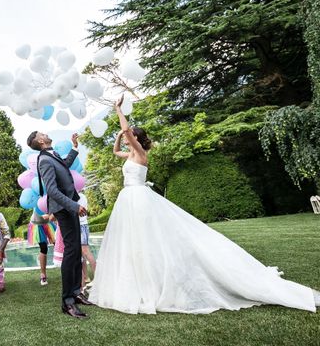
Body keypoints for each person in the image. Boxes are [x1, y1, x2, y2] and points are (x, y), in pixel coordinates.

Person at [89, 95, 320, 314]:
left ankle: (156, 283)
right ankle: (141, 280)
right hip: (128, 199)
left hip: (138, 199)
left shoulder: (140, 154)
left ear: (137, 140)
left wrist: (119, 111)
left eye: (131, 137)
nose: (128, 139)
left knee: (146, 239)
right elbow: (114, 150)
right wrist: (119, 134)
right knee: (135, 241)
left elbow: (128, 132)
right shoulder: (128, 155)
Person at [27, 131, 90, 319]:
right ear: (40, 140)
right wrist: (73, 206)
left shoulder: (52, 155)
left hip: (69, 207)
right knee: (71, 253)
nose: (46, 134)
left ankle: (77, 293)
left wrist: (74, 147)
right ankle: (67, 301)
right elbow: (52, 191)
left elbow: (65, 166)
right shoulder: (44, 160)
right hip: (64, 208)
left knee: (76, 251)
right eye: (43, 133)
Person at [27, 209, 56, 286]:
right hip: (37, 223)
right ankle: (43, 275)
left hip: (48, 222)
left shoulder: (49, 198)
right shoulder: (36, 200)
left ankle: (68, 269)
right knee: (43, 248)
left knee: (58, 244)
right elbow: (37, 215)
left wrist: (51, 215)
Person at [77, 192, 96, 293]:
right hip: (81, 226)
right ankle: (84, 281)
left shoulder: (79, 196)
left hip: (81, 226)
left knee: (86, 252)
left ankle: (97, 278)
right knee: (81, 255)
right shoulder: (82, 196)